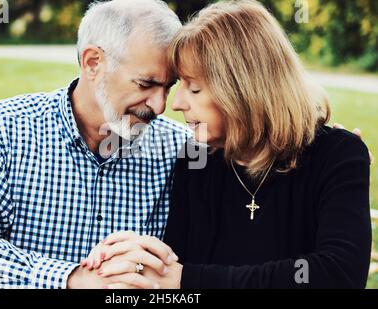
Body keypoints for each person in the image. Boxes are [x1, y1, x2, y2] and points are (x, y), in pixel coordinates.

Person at [84, 0, 372, 289]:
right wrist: (123, 263)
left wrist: (189, 279)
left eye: (193, 88)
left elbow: (335, 273)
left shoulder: (336, 155)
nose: (176, 104)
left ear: (242, 90)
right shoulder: (197, 159)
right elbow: (170, 271)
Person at [0, 0, 188, 289]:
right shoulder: (2, 129)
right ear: (93, 62)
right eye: (145, 84)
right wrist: (70, 278)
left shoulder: (180, 149)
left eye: (168, 86)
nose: (160, 106)